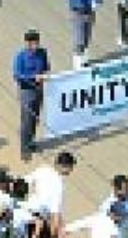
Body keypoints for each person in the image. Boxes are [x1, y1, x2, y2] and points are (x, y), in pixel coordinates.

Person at [14, 29, 53, 160]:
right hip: (27, 91)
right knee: (26, 121)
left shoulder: (42, 53)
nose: (34, 47)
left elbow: (46, 66)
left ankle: (31, 141)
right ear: (26, 43)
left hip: (39, 89)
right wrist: (33, 77)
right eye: (31, 44)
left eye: (36, 43)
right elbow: (17, 75)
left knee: (35, 118)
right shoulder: (20, 57)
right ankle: (24, 149)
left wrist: (45, 74)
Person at [26, 152, 76, 238]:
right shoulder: (59, 185)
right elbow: (55, 215)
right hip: (40, 217)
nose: (71, 170)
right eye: (70, 167)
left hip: (28, 209)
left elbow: (25, 181)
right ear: (64, 166)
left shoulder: (43, 169)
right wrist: (54, 234)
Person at [68, 0, 105, 70]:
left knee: (87, 38)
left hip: (90, 11)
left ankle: (84, 60)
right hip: (78, 12)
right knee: (79, 38)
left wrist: (98, 0)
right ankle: (77, 64)